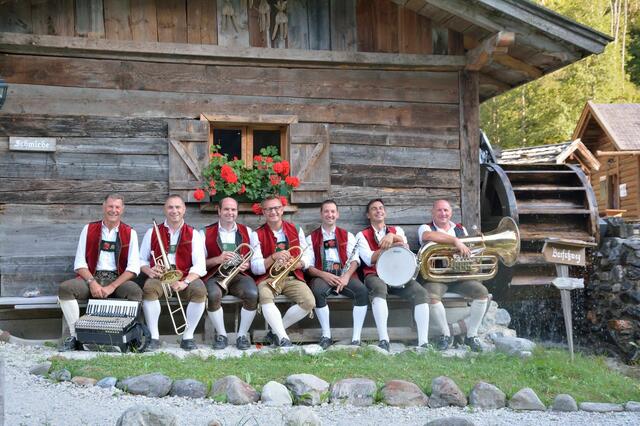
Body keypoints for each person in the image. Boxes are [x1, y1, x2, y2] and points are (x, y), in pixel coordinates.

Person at [58, 194, 142, 351]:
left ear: (122, 209)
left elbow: (133, 268)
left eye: (117, 207)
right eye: (110, 206)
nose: (113, 210)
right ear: (104, 207)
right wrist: (92, 283)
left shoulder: (130, 233)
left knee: (134, 291)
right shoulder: (88, 229)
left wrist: (112, 286)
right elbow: (80, 263)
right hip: (91, 277)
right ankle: (75, 336)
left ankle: (130, 338)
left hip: (117, 280)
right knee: (65, 289)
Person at [356, 198, 431, 351]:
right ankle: (384, 340)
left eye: (381, 208)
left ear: (385, 212)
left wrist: (392, 237)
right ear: (368, 215)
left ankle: (423, 342)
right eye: (374, 209)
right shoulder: (361, 235)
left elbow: (405, 247)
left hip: (400, 275)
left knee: (421, 293)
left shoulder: (397, 230)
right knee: (379, 288)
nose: (378, 211)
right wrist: (390, 245)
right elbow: (369, 259)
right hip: (374, 274)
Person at [418, 199, 489, 352]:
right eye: (439, 210)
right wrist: (456, 241)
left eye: (446, 210)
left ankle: (472, 335)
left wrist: (470, 255)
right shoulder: (426, 227)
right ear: (433, 212)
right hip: (436, 277)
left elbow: (468, 251)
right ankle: (445, 334)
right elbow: (428, 236)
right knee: (431, 295)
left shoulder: (460, 229)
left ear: (451, 213)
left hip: (459, 277)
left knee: (482, 293)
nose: (443, 213)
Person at [139, 194, 207, 351]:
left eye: (178, 207)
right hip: (160, 277)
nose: (174, 211)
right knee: (149, 289)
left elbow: (200, 265)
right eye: (170, 207)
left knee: (199, 291)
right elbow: (141, 259)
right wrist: (149, 270)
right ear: (165, 210)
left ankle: (188, 337)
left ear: (184, 209)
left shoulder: (193, 234)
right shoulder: (152, 232)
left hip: (184, 276)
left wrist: (185, 282)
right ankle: (154, 338)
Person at [250, 195, 315, 347]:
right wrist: (273, 257)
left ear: (282, 209)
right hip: (269, 278)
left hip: (292, 276)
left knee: (309, 302)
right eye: (268, 209)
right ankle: (284, 338)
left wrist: (299, 264)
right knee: (265, 295)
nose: (273, 212)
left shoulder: (296, 229)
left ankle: (275, 331)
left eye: (276, 208)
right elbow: (255, 267)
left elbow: (308, 255)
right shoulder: (256, 234)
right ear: (263, 212)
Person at [305, 200, 368, 349]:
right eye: (326, 211)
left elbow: (355, 261)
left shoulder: (347, 235)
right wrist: (324, 275)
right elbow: (308, 266)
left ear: (337, 214)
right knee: (317, 291)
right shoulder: (311, 238)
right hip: (323, 276)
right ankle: (326, 335)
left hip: (344, 274)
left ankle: (356, 338)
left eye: (333, 211)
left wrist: (346, 277)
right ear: (321, 214)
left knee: (362, 291)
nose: (330, 214)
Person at [201, 197, 257, 350]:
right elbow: (199, 263)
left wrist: (247, 265)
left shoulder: (248, 232)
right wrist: (218, 259)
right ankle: (222, 335)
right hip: (215, 275)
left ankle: (242, 335)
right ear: (219, 211)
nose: (230, 212)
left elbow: (255, 258)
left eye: (233, 209)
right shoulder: (204, 232)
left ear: (237, 212)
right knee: (213, 295)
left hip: (239, 275)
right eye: (226, 209)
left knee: (252, 294)